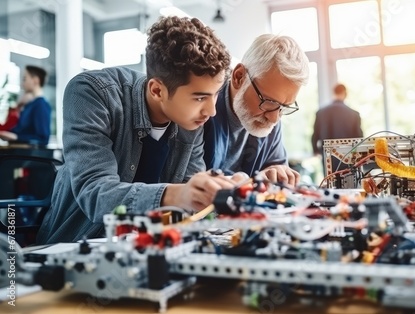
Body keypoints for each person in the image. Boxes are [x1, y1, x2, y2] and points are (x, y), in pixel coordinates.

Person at [36, 16, 237, 244]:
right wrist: (177, 194)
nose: (211, 111)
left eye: (216, 94)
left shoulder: (191, 121)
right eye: (200, 97)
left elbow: (191, 204)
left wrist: (218, 194)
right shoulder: (91, 92)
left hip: (148, 249)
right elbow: (95, 194)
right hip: (73, 247)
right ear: (157, 91)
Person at [203, 34, 309, 186]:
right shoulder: (203, 110)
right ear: (239, 77)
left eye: (283, 107)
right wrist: (251, 183)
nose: (274, 118)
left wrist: (276, 173)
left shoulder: (272, 117)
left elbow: (276, 174)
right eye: (269, 102)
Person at [311, 83, 363, 172]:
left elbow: (315, 135)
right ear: (345, 94)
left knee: (329, 181)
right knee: (349, 182)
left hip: (327, 157)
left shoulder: (321, 113)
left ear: (333, 93)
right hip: (348, 157)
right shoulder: (354, 114)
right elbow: (359, 138)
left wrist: (316, 151)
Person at [0, 66, 51, 145]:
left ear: (35, 80)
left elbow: (43, 138)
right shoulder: (28, 106)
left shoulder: (41, 105)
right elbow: (19, 129)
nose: (22, 83)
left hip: (26, 154)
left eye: (25, 79)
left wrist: (17, 137)